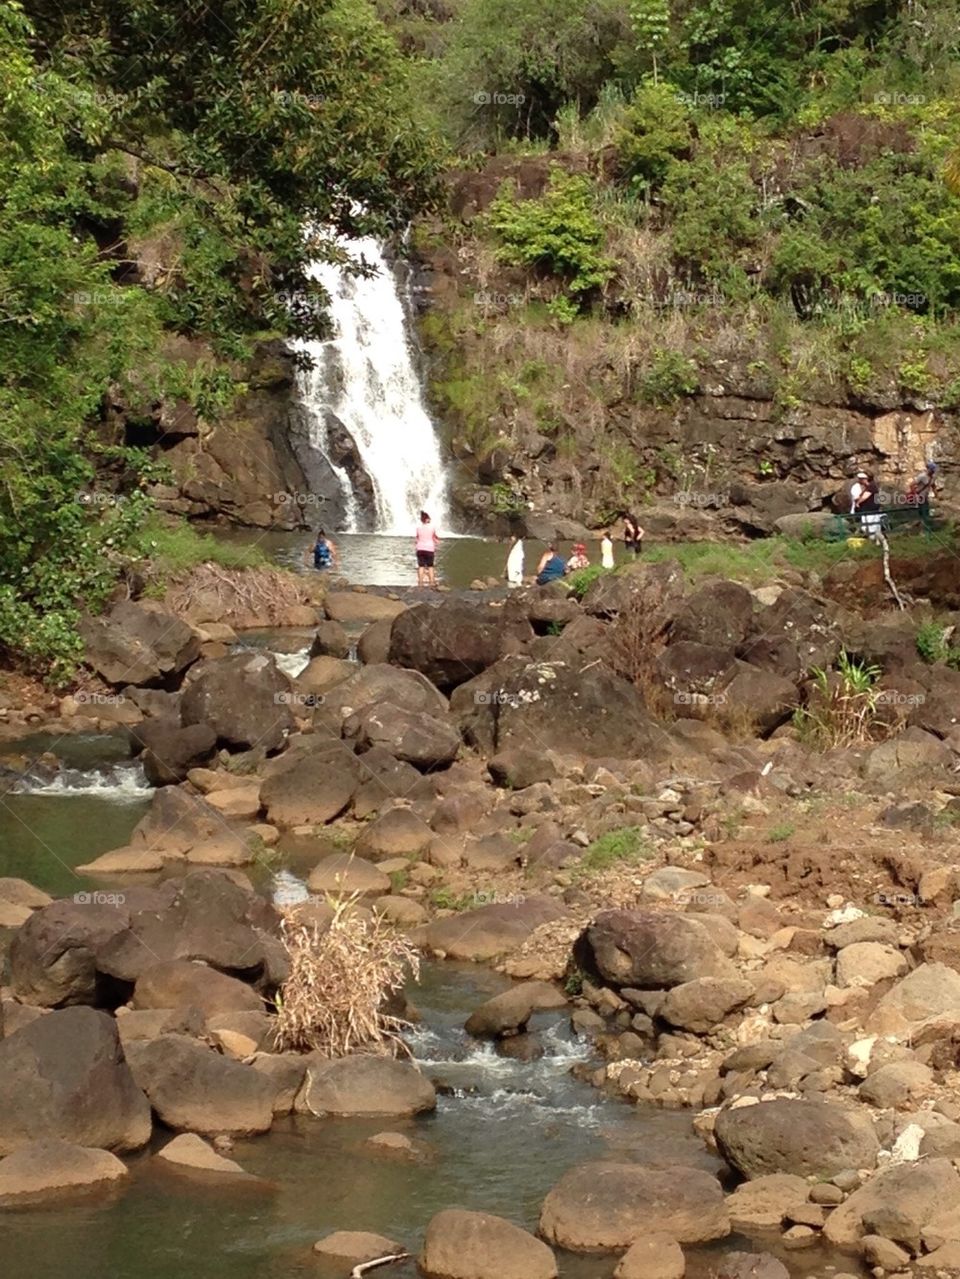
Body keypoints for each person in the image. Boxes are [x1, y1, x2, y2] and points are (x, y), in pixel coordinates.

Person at [906, 460, 938, 533]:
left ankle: (922, 530)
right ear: (929, 469)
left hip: (925, 497)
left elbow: (933, 486)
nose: (933, 471)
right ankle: (924, 531)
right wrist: (915, 494)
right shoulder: (922, 476)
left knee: (925, 513)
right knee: (924, 514)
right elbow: (912, 484)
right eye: (932, 470)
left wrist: (937, 495)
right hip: (920, 497)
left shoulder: (932, 477)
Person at [415, 510, 440, 588]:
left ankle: (420, 582)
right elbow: (435, 538)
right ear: (427, 519)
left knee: (421, 566)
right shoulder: (432, 527)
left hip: (420, 549)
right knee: (430, 566)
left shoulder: (418, 528)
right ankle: (432, 582)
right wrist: (437, 542)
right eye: (429, 518)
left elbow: (417, 539)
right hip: (429, 549)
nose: (430, 519)